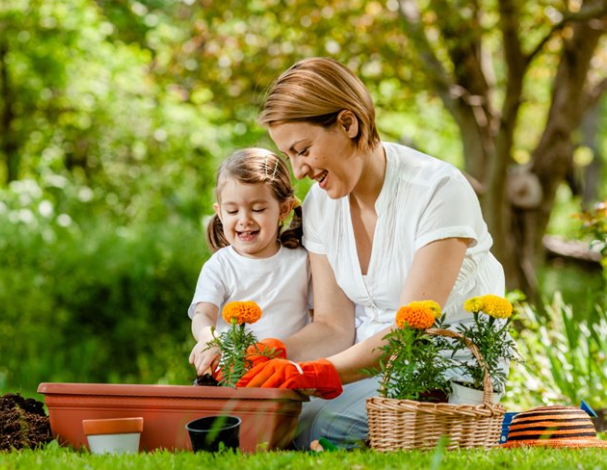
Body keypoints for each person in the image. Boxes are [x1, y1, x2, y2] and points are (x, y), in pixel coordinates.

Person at [235, 57, 506, 449]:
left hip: (442, 378)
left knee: (322, 427)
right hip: (361, 375)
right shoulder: (320, 206)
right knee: (266, 419)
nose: (298, 171)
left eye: (304, 149)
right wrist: (276, 354)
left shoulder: (437, 190)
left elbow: (413, 331)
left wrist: (315, 374)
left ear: (349, 123)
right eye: (290, 156)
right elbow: (333, 326)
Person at [188, 148, 313, 377]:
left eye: (258, 209)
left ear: (283, 210)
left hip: (286, 378)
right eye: (233, 210)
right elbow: (203, 314)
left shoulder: (302, 262)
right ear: (220, 213)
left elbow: (318, 320)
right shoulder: (220, 266)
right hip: (231, 377)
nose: (244, 220)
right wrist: (209, 339)